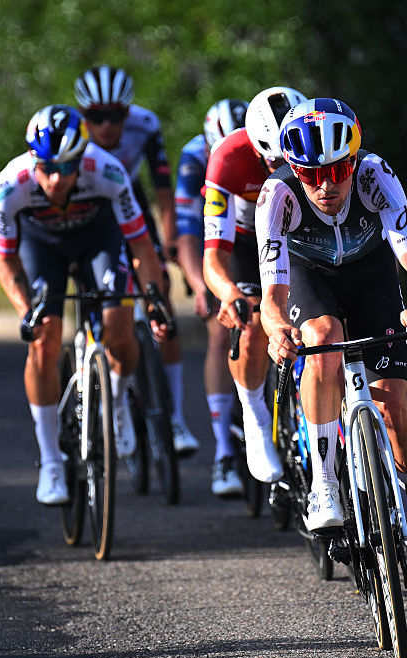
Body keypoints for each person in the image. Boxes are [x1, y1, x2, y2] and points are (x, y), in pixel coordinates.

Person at [256, 97, 407, 584]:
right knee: (323, 336)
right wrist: (277, 331)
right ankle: (323, 483)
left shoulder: (376, 176)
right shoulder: (276, 197)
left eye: (336, 171)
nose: (325, 187)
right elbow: (272, 296)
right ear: (293, 169)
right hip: (308, 276)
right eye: (309, 174)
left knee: (391, 405)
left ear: (354, 161)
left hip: (370, 275)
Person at [0, 104, 167, 506]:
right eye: (46, 168)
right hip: (42, 248)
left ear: (81, 160)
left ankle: (117, 400)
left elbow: (139, 243)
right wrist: (25, 309)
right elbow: (5, 258)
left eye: (66, 169)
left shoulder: (106, 170)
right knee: (43, 339)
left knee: (120, 331)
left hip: (97, 241)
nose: (54, 180)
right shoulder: (9, 186)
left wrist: (154, 299)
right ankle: (52, 460)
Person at [75, 65, 199, 456]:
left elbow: (163, 190)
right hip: (89, 211)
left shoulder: (146, 124)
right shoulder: (71, 132)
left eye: (117, 115)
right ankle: (96, 370)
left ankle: (176, 419)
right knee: (96, 297)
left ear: (129, 113)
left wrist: (170, 241)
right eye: (97, 116)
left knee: (160, 296)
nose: (107, 125)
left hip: (131, 204)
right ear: (84, 116)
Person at [202, 86, 307, 488]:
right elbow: (213, 256)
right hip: (246, 242)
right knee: (248, 330)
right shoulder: (227, 158)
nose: (283, 173)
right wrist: (229, 294)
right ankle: (254, 416)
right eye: (273, 163)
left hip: (299, 236)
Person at [174, 98, 249, 497]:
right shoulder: (192, 157)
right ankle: (223, 450)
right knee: (222, 332)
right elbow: (186, 230)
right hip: (215, 242)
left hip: (260, 236)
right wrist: (200, 285)